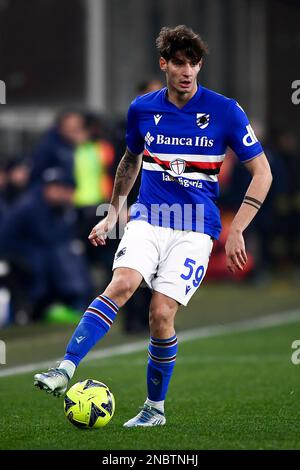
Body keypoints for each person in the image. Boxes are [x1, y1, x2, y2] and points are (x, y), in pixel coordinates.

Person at [34, 25, 272, 427]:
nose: (187, 71)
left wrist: (238, 229)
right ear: (164, 64)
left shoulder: (225, 110)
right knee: (122, 284)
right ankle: (65, 368)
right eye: (178, 63)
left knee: (161, 315)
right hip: (149, 217)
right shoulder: (142, 109)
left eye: (193, 63)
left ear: (200, 66)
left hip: (196, 228)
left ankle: (153, 409)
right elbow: (130, 161)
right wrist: (113, 211)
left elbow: (262, 173)